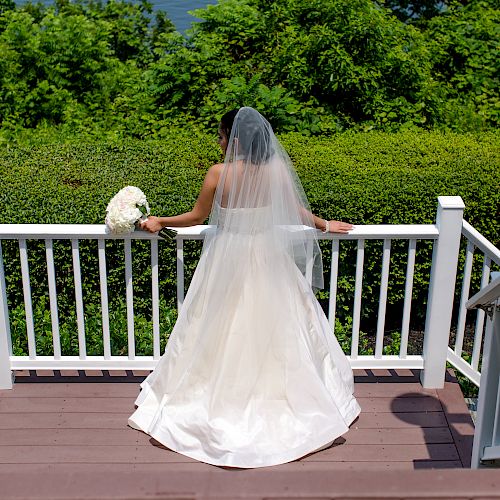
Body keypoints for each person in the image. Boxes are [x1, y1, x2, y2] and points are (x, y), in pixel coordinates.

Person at [127, 107, 361, 468]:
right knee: (281, 329)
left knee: (215, 327)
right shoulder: (277, 172)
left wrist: (159, 220)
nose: (219, 143)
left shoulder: (218, 173)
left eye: (221, 137)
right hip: (268, 257)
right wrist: (326, 225)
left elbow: (197, 217)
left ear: (234, 139)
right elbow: (297, 211)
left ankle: (217, 401)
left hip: (229, 256)